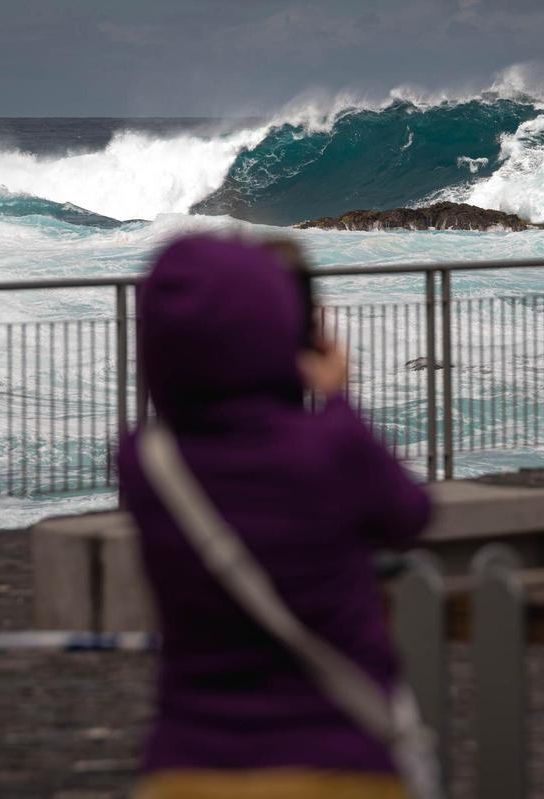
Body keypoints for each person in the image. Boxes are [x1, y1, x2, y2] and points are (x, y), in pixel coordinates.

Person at [117, 235, 432, 799]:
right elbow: (408, 515)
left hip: (185, 769)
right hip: (333, 765)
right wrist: (337, 398)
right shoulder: (331, 446)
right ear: (277, 331)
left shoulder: (145, 463)